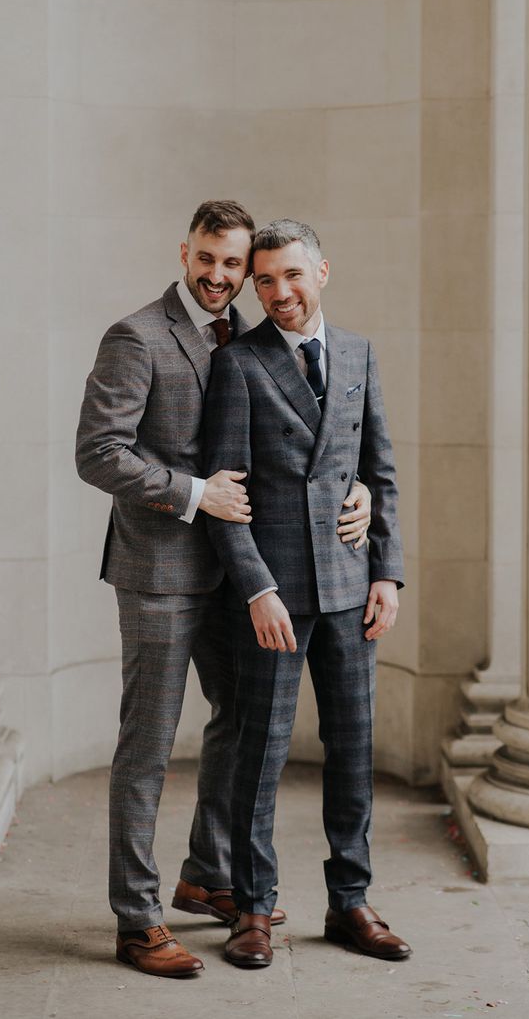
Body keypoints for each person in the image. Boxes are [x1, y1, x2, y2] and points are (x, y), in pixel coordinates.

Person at [75, 200, 373, 978]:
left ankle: (208, 874)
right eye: (207, 260)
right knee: (148, 747)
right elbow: (98, 451)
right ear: (186, 253)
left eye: (232, 265)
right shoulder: (137, 336)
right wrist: (192, 490)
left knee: (242, 724)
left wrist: (360, 491)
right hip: (161, 574)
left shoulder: (244, 338)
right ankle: (136, 919)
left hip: (233, 576)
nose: (219, 276)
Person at [203, 219, 411, 970]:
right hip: (273, 598)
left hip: (354, 594)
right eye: (264, 281)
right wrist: (255, 588)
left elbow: (378, 471)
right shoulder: (240, 364)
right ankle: (252, 909)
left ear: (322, 270)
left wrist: (386, 572)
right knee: (259, 756)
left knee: (352, 755)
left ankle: (350, 902)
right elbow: (226, 495)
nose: (278, 293)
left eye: (291, 275)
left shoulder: (357, 352)